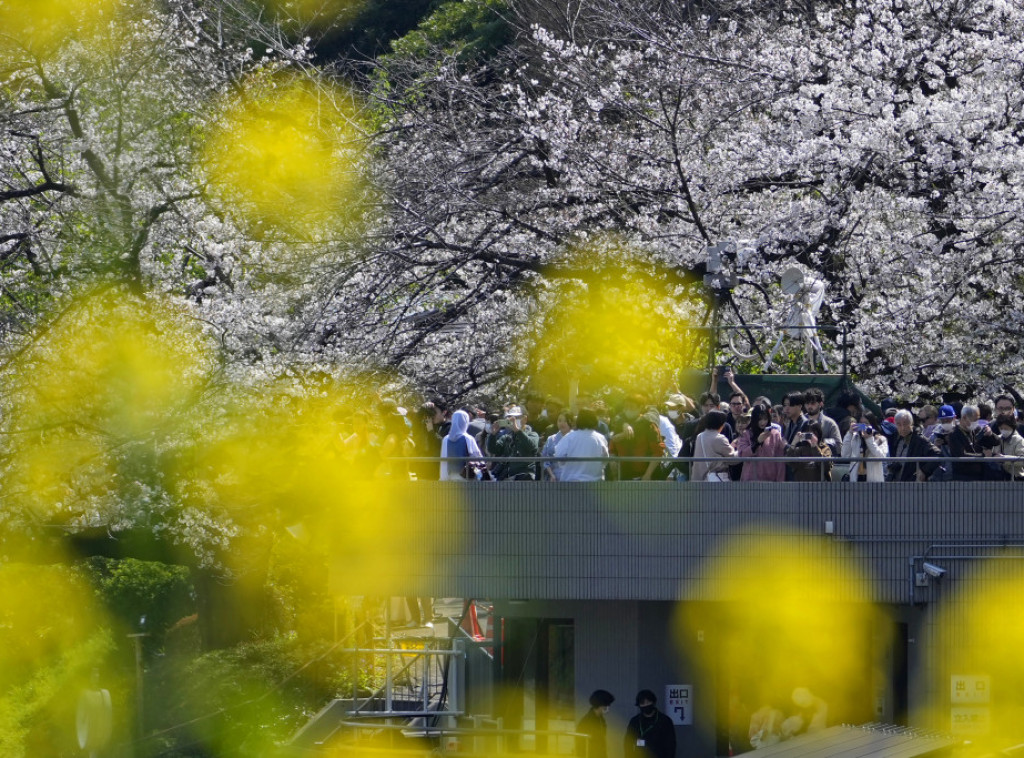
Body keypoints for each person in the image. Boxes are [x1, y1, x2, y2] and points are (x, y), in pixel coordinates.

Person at [555, 408, 610, 481]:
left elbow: (559, 455)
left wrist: (564, 465)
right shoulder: (600, 438)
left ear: (578, 421)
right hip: (595, 482)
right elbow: (605, 459)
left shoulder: (569, 437)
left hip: (571, 482)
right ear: (595, 421)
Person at [734, 404, 786, 482]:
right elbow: (742, 454)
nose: (763, 422)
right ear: (754, 419)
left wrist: (780, 482)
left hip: (770, 480)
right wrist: (757, 442)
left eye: (765, 419)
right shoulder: (746, 434)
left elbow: (780, 461)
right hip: (750, 480)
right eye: (760, 419)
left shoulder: (775, 434)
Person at [886, 409, 940, 482]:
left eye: (905, 424)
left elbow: (937, 454)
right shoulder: (894, 438)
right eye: (899, 424)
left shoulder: (919, 440)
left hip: (913, 483)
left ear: (911, 423)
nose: (902, 428)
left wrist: (924, 471)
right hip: (896, 482)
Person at [488, 406, 541, 480]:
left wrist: (517, 430)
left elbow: (532, 446)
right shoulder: (507, 437)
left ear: (525, 419)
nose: (514, 420)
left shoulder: (532, 434)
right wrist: (493, 435)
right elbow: (493, 449)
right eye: (511, 418)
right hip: (508, 476)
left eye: (517, 417)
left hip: (525, 476)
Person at [624, 689, 675, 758]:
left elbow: (671, 744)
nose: (646, 705)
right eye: (642, 703)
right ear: (639, 705)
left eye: (648, 702)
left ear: (653, 702)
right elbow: (628, 742)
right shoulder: (635, 721)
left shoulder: (664, 720)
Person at [840, 411, 889, 482]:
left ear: (872, 425)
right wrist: (849, 433)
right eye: (861, 424)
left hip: (873, 481)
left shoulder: (881, 439)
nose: (864, 427)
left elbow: (881, 456)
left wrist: (869, 439)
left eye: (866, 424)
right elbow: (845, 455)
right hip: (856, 479)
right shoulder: (855, 438)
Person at [691, 410, 738, 482]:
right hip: (716, 479)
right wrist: (741, 450)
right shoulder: (719, 438)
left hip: (700, 479)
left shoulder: (700, 436)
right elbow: (732, 459)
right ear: (721, 424)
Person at [948, 404, 991, 481]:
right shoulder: (954, 434)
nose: (976, 422)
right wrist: (983, 456)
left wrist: (990, 434)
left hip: (980, 475)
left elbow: (995, 442)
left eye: (977, 419)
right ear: (964, 417)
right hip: (962, 477)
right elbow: (961, 455)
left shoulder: (977, 430)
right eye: (974, 420)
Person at [439, 409, 485, 481]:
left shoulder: (446, 439)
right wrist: (482, 475)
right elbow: (477, 457)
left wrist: (443, 477)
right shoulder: (468, 438)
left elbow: (444, 459)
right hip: (466, 476)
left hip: (451, 476)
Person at [577, 689, 615, 758]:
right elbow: (581, 745)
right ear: (599, 705)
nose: (608, 708)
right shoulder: (587, 721)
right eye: (606, 705)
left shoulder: (601, 719)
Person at [803, 387, 841, 455]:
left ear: (821, 404)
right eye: (807, 403)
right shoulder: (801, 421)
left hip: (822, 459)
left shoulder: (830, 423)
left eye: (813, 403)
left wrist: (821, 444)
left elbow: (839, 447)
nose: (809, 406)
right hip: (802, 459)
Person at [541, 411, 573, 480]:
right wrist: (551, 475)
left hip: (572, 475)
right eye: (559, 420)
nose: (562, 423)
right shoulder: (551, 439)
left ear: (571, 422)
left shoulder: (576, 439)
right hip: (554, 475)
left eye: (565, 421)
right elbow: (545, 459)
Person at [993, 413, 1024, 481]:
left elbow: (1022, 460)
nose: (1003, 430)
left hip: (1016, 477)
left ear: (1012, 427)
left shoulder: (1019, 440)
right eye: (1001, 428)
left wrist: (1004, 459)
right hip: (999, 477)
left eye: (1006, 428)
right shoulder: (997, 438)